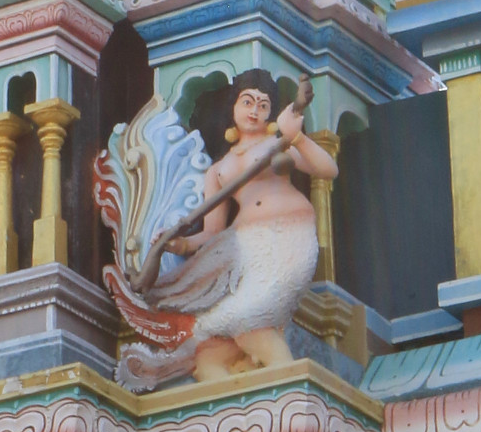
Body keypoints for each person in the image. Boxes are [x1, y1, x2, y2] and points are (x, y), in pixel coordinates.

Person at [136, 71, 336, 380]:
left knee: (251, 325)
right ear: (234, 107)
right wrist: (181, 244)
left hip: (288, 239)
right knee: (208, 353)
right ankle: (237, 405)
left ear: (271, 113)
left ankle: (290, 391)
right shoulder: (218, 170)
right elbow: (212, 232)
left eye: (263, 105)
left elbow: (328, 169)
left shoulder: (278, 146)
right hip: (248, 251)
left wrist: (297, 136)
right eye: (247, 102)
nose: (254, 111)